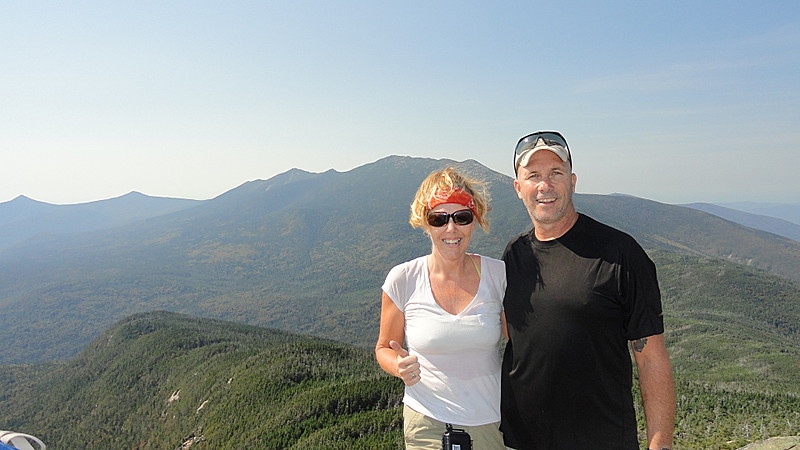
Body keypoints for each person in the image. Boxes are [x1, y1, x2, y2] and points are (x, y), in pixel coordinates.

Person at [501, 131, 676, 450]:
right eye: (534, 176)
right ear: (518, 187)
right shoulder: (514, 255)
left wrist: (659, 444)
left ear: (572, 181)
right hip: (522, 440)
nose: (545, 186)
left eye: (556, 173)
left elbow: (651, 358)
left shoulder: (621, 254)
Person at [375, 167, 507, 449]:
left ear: (475, 220)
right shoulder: (403, 279)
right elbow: (384, 347)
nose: (451, 229)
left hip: (489, 422)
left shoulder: (499, 276)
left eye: (462, 217)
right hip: (426, 423)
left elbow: (526, 342)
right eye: (438, 219)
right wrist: (398, 366)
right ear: (425, 222)